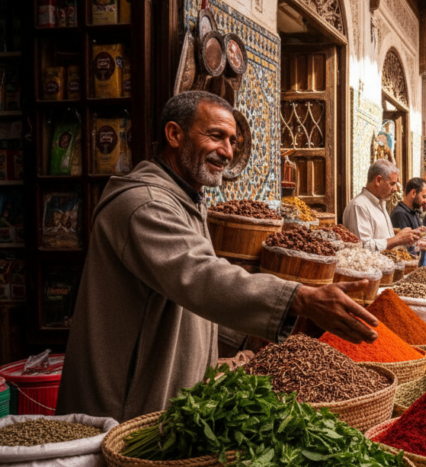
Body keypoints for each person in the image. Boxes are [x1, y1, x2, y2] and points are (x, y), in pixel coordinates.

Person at [56, 91, 380, 421]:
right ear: (174, 134)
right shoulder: (145, 205)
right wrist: (300, 298)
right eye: (216, 136)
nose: (226, 152)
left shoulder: (187, 199)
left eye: (232, 141)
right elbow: (200, 275)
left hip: (165, 397)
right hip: (125, 404)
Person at [342, 159, 421, 252]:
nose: (395, 189)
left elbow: (380, 237)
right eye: (392, 184)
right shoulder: (358, 206)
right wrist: (397, 239)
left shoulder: (380, 203)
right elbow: (363, 247)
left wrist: (402, 235)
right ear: (378, 180)